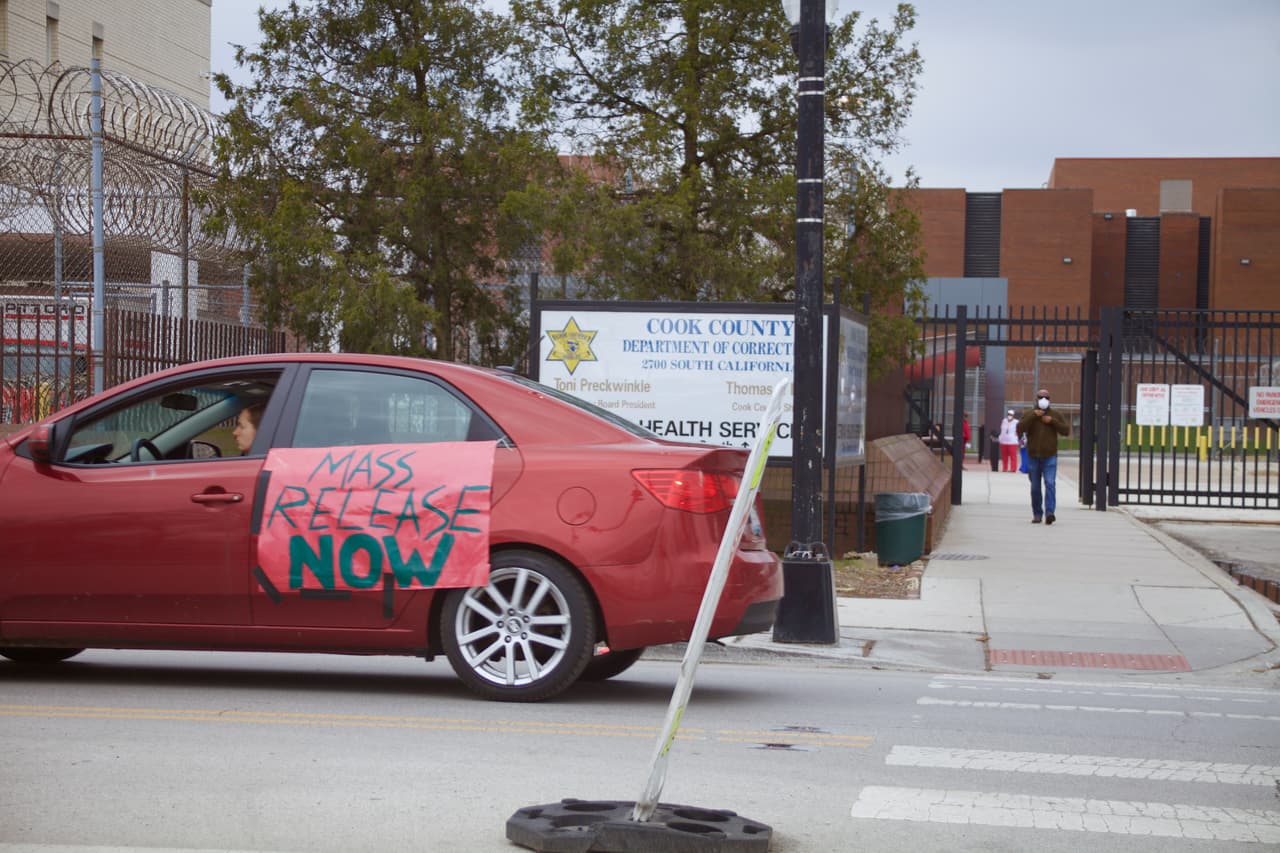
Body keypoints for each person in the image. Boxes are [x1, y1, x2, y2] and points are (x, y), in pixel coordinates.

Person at [1017, 388, 1070, 524]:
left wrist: (1052, 421)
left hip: (1050, 456)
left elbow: (1066, 431)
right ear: (1036, 399)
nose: (1043, 400)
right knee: (1035, 487)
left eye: (1046, 397)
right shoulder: (1030, 414)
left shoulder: (1055, 414)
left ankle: (1050, 512)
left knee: (1050, 483)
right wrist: (1033, 415)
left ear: (1049, 400)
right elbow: (1020, 428)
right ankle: (1037, 513)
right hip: (1033, 456)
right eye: (1040, 397)